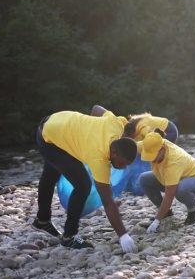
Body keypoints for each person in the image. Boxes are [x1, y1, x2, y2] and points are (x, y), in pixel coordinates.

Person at [32, 108, 139, 252]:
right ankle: (69, 236)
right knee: (83, 185)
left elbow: (96, 108)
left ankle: (42, 221)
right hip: (49, 138)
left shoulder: (115, 124)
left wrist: (87, 131)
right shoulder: (98, 157)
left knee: (51, 172)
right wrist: (123, 235)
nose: (121, 168)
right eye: (121, 163)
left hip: (56, 120)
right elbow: (107, 202)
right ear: (114, 152)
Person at [138, 131, 195, 233]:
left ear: (162, 149)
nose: (151, 159)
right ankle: (166, 214)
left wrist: (156, 221)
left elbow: (169, 196)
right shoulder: (149, 144)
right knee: (144, 179)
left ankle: (192, 211)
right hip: (171, 177)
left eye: (153, 156)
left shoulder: (174, 160)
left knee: (180, 189)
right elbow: (130, 147)